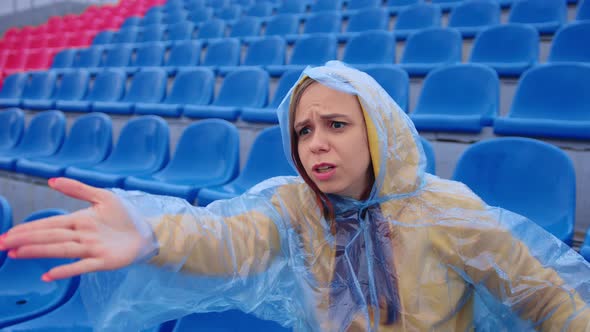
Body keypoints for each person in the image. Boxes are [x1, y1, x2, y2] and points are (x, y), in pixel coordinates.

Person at [0, 61, 589, 331]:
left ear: (377, 131)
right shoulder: (297, 205)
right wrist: (152, 230)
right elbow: (229, 240)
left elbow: (548, 300)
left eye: (337, 125)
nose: (315, 144)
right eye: (303, 131)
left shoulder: (446, 210)